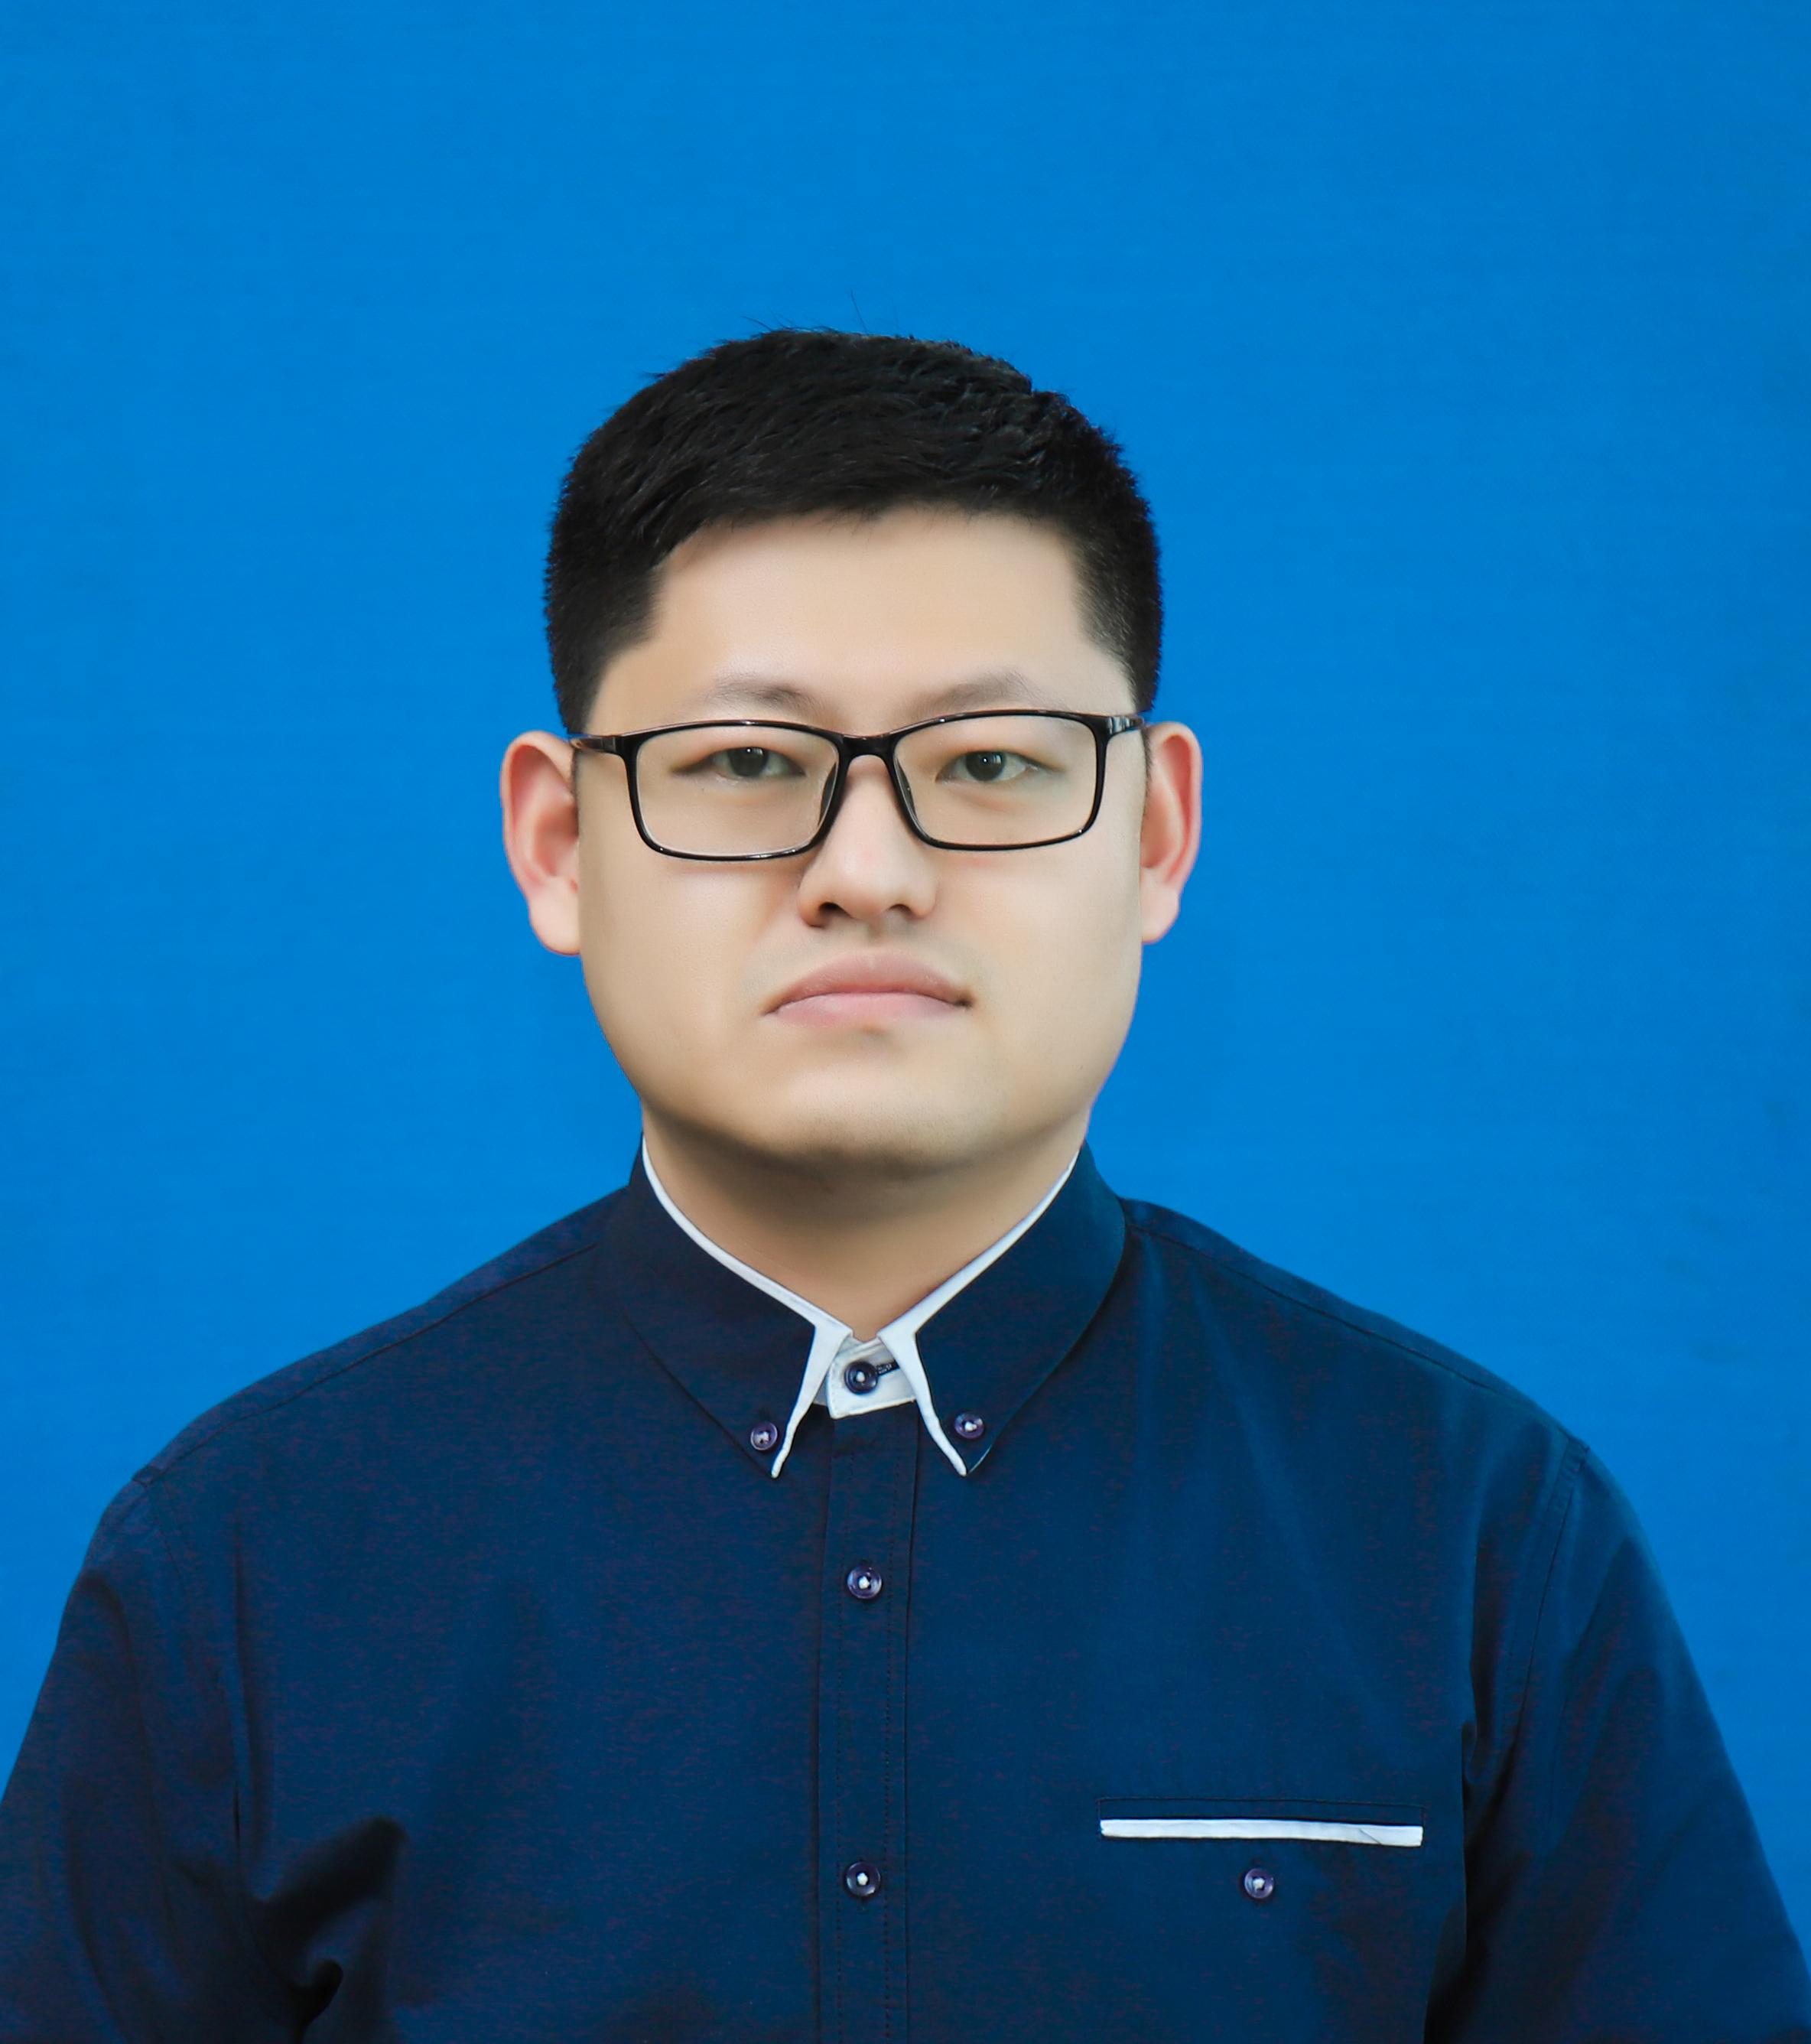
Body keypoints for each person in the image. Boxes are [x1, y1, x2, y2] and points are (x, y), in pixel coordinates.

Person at [0, 327, 1804, 2043]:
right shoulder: (249, 1560)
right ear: (559, 845)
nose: (866, 869)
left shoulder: (1469, 1530)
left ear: (1154, 832)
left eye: (989, 763)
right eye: (744, 764)